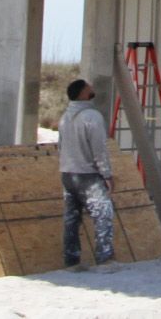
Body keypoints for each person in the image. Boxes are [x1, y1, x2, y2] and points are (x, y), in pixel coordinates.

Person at [59, 79, 118, 272]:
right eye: (89, 87)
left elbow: (61, 146)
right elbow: (99, 149)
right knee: (103, 214)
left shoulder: (65, 117)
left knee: (71, 219)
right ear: (83, 93)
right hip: (88, 175)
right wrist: (107, 175)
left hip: (67, 173)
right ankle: (105, 259)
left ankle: (72, 261)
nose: (92, 88)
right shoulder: (92, 116)